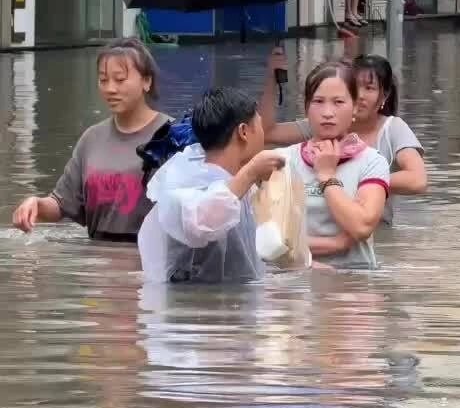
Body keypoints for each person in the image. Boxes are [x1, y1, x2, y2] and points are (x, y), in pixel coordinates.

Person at [11, 38, 171, 241]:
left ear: (146, 81)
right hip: (96, 255)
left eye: (120, 79)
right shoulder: (91, 139)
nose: (110, 88)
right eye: (103, 80)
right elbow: (62, 203)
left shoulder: (172, 136)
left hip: (150, 256)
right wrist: (36, 204)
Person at [260, 49, 427, 225]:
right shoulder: (324, 124)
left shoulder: (391, 129)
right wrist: (272, 80)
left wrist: (363, 180)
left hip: (376, 230)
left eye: (369, 88)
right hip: (317, 227)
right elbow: (266, 133)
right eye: (355, 87)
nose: (360, 95)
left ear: (383, 96)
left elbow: (417, 180)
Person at [138, 87, 286, 284]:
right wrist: (251, 172)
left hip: (233, 298)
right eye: (259, 125)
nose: (263, 134)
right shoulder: (186, 181)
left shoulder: (238, 183)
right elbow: (200, 222)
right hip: (189, 301)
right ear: (243, 132)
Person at [281, 60, 390, 268]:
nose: (328, 112)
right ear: (306, 107)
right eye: (318, 101)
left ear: (355, 107)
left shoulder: (372, 162)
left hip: (355, 281)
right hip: (298, 284)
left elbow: (361, 227)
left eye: (338, 102)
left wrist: (326, 176)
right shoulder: (282, 161)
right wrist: (336, 244)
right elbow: (268, 239)